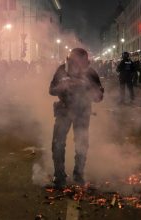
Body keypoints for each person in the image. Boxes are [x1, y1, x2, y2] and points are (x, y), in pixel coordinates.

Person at [49, 48, 104, 189]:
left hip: (82, 112)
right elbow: (51, 90)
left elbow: (99, 97)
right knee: (58, 143)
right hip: (64, 111)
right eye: (75, 62)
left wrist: (87, 88)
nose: (78, 66)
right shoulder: (62, 70)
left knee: (81, 143)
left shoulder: (91, 73)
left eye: (81, 62)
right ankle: (59, 175)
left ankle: (78, 174)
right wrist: (62, 86)